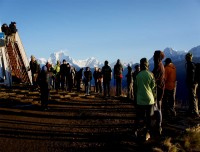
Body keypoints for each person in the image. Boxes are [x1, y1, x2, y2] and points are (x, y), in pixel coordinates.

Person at [134, 58, 156, 141]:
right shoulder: (151, 74)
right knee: (149, 118)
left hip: (140, 100)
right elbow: (153, 87)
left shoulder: (137, 75)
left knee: (139, 116)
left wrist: (135, 99)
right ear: (147, 65)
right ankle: (147, 133)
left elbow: (135, 88)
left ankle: (135, 131)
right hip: (149, 100)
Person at [152, 50, 165, 135]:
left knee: (156, 106)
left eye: (154, 56)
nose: (153, 57)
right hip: (160, 87)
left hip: (157, 88)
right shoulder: (160, 65)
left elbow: (154, 78)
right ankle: (158, 124)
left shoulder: (158, 66)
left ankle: (158, 125)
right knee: (158, 105)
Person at [185, 53, 199, 118]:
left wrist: (191, 82)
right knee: (192, 96)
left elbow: (191, 75)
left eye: (186, 57)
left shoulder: (190, 65)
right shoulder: (191, 64)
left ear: (188, 57)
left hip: (192, 84)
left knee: (193, 97)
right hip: (194, 83)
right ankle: (191, 110)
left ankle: (196, 112)